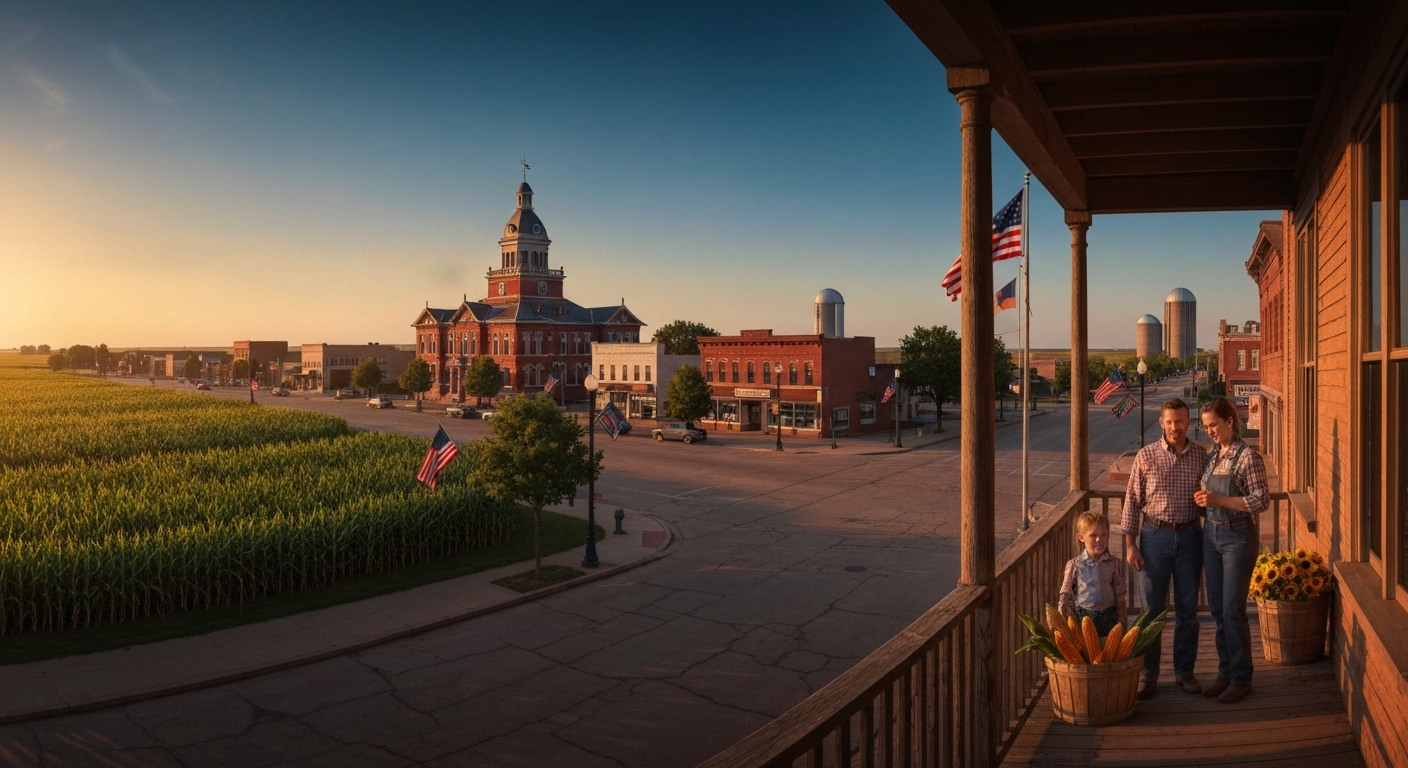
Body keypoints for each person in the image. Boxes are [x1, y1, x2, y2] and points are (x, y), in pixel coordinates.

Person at [1123, 398, 1208, 699]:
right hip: (1154, 537)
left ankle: (1185, 672)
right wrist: (1130, 544)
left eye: (1181, 420)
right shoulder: (1145, 456)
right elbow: (1132, 501)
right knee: (1151, 612)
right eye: (1170, 421)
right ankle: (1149, 674)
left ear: (1189, 421)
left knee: (1187, 612)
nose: (1175, 426)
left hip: (1189, 538)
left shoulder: (1201, 455)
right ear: (1161, 423)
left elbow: (1211, 497)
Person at [1194, 397, 1268, 704]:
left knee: (1233, 611)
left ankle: (1241, 678)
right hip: (1210, 535)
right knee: (1217, 610)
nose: (1209, 431)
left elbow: (1261, 499)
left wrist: (1220, 501)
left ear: (1230, 421)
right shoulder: (1214, 455)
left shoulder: (1247, 456)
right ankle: (1225, 673)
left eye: (1214, 425)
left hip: (1237, 536)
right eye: (1206, 426)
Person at [1059, 510, 1127, 636]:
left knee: (1108, 651)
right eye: (1093, 535)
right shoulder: (1075, 565)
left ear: (1108, 536)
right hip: (1084, 616)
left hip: (1109, 615)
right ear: (1081, 537)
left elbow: (1120, 595)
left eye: (1103, 535)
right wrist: (1066, 619)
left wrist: (1123, 620)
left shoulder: (1114, 563)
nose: (1099, 539)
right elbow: (1065, 595)